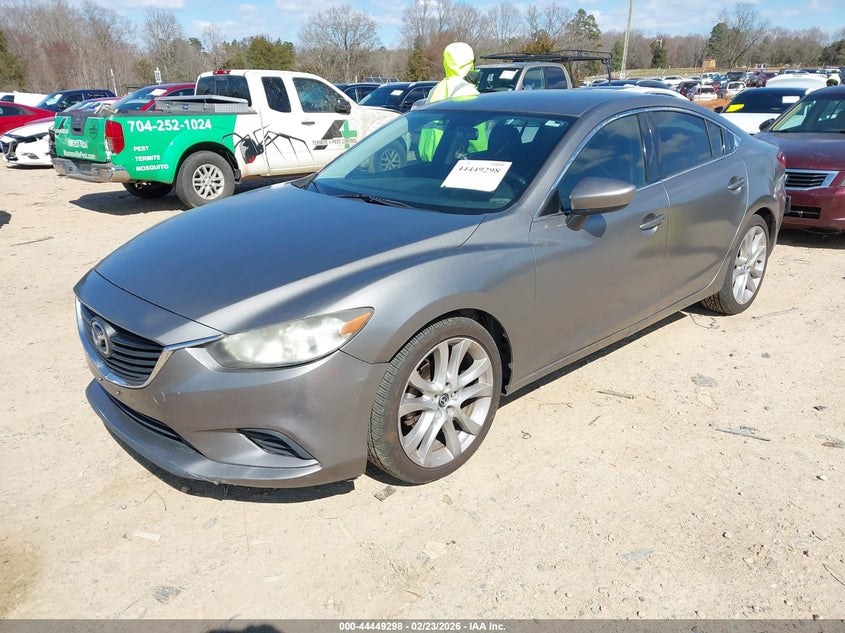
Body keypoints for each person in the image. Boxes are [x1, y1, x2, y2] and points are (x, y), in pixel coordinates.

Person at [419, 42, 485, 161]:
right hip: (453, 159)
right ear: (468, 65)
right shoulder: (468, 91)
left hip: (430, 159)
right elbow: (478, 138)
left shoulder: (435, 89)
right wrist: (480, 157)